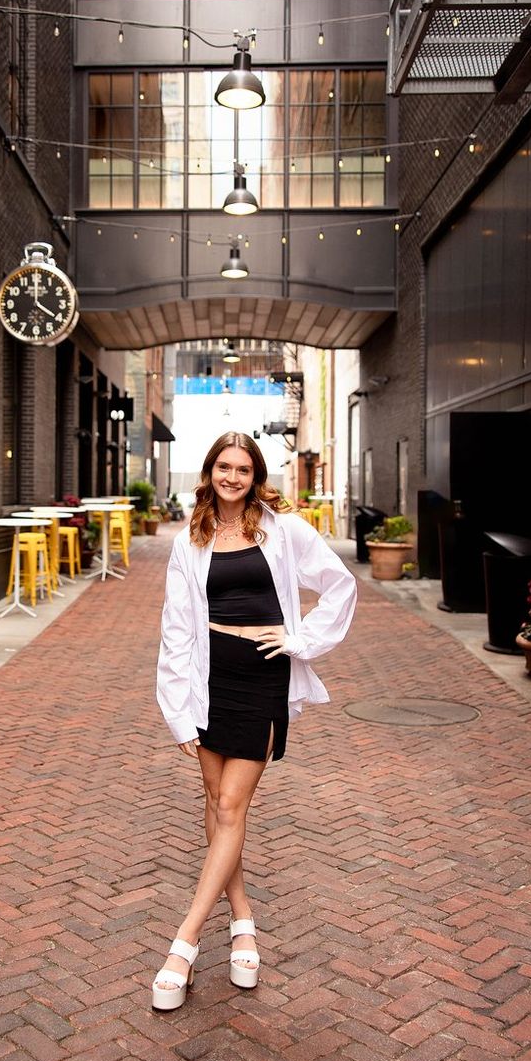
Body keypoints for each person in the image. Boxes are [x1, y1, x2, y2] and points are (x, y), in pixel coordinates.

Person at [153, 431, 357, 1010]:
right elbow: (175, 627)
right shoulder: (190, 537)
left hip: (263, 679)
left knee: (231, 807)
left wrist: (299, 639)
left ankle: (184, 943)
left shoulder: (283, 529)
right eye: (224, 467)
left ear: (256, 475)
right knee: (217, 805)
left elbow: (340, 586)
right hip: (207, 683)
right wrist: (178, 711)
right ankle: (243, 918)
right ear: (210, 471)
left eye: (243, 469)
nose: (233, 478)